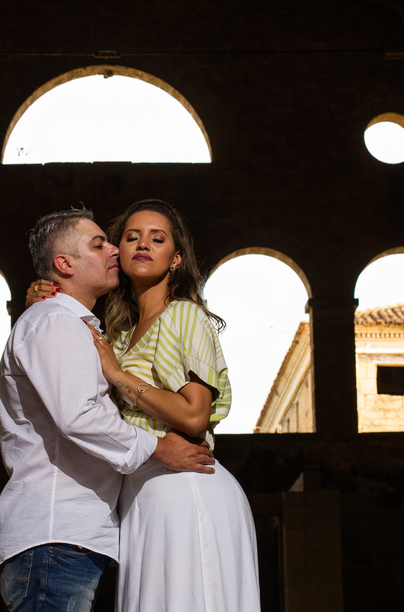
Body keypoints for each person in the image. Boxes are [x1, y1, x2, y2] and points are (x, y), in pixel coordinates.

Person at [27, 199, 260, 612]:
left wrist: (119, 376)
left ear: (176, 259)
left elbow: (194, 415)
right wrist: (44, 296)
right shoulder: (117, 334)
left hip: (187, 489)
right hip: (140, 499)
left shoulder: (186, 316)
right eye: (131, 237)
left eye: (158, 238)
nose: (142, 245)